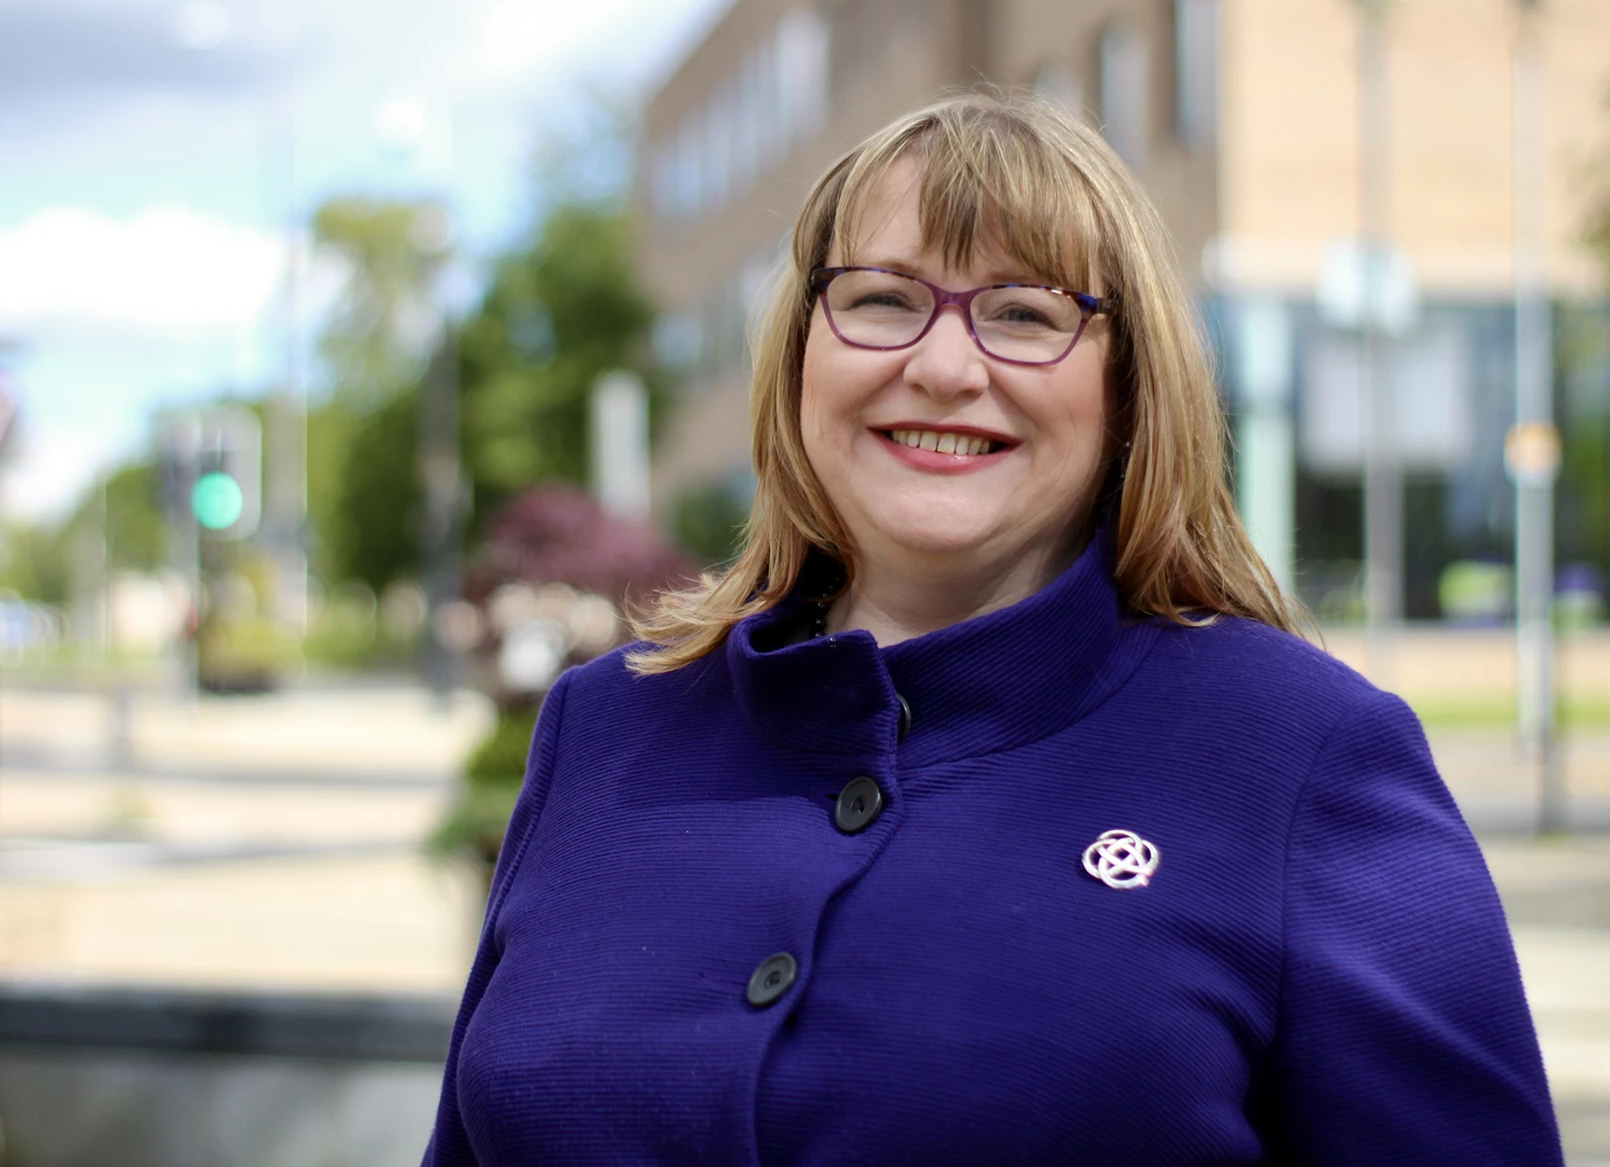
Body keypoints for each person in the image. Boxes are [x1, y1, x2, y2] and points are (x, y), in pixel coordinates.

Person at [423, 92, 1560, 1165]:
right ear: (800, 351)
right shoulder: (605, 725)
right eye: (881, 299)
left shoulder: (1303, 757)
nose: (945, 365)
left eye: (1026, 314)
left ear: (1129, 389)